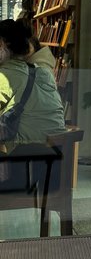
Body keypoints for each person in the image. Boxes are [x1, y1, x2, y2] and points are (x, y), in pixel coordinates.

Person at [0, 19, 65, 189]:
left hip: (20, 172)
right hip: (53, 170)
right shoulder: (44, 72)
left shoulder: (5, 76)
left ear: (3, 45)